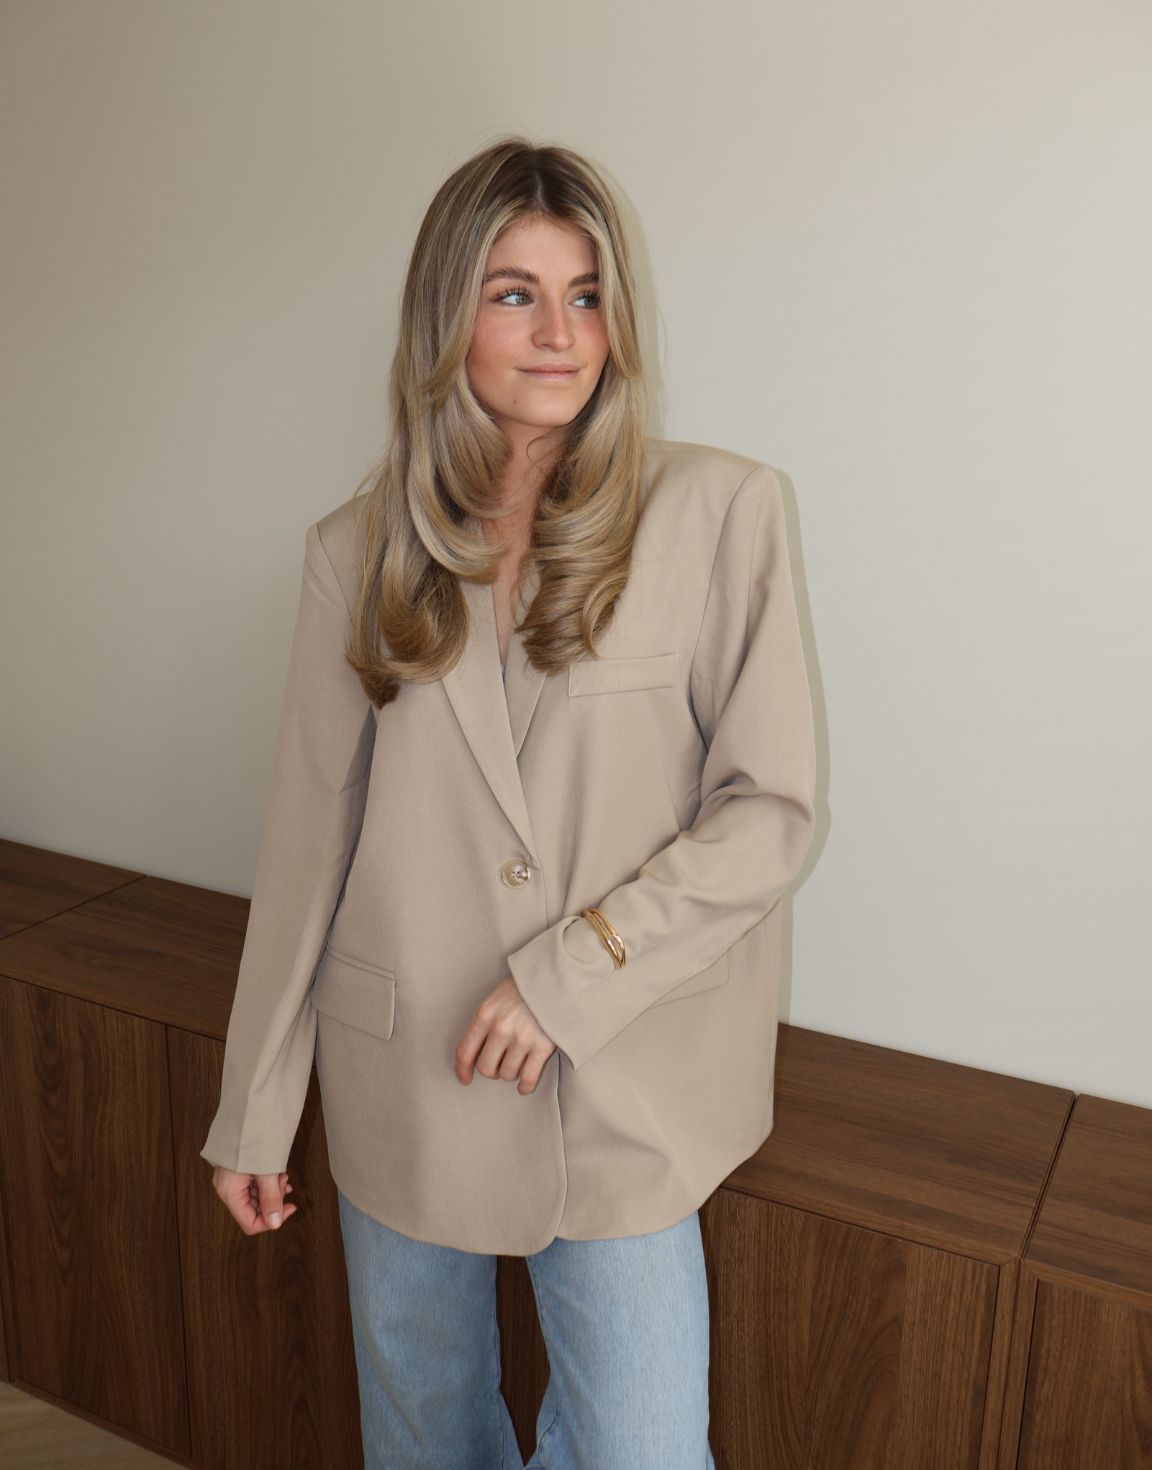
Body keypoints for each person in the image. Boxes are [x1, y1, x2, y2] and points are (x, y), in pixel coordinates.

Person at [200, 136, 818, 1470]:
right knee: (424, 1440)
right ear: (445, 319)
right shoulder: (357, 552)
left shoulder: (719, 512)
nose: (560, 332)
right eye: (515, 293)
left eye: (586, 295)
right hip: (405, 1072)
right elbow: (308, 846)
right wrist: (254, 1108)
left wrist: (571, 973)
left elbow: (770, 811)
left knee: (646, 1448)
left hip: (624, 1074)